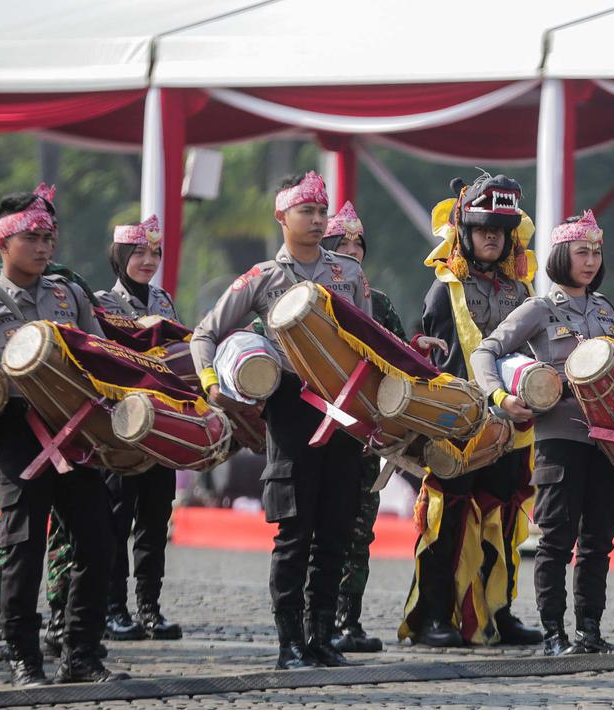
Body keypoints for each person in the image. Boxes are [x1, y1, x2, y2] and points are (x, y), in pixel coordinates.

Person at [0, 187, 127, 686]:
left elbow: (100, 356)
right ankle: (22, 656)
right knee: (23, 546)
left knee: (97, 543)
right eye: (31, 237)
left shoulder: (70, 295)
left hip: (76, 430)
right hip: (16, 429)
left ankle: (81, 654)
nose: (42, 247)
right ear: (4, 243)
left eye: (48, 237)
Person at [190, 171, 371, 670]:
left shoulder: (349, 275)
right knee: (295, 530)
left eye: (321, 211)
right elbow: (204, 334)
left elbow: (371, 340)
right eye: (306, 212)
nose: (316, 220)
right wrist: (212, 385)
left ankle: (322, 637)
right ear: (281, 217)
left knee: (336, 528)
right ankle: (289, 643)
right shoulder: (262, 277)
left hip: (345, 409)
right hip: (291, 407)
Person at [470, 210, 614, 656]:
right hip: (559, 440)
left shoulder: (605, 309)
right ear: (561, 256)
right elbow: (486, 351)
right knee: (557, 540)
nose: (592, 260)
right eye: (582, 251)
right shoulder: (540, 309)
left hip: (605, 442)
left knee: (599, 541)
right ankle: (554, 634)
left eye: (597, 252)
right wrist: (499, 399)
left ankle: (590, 633)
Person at [399, 173, 543, 649]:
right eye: (482, 229)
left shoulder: (521, 292)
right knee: (449, 518)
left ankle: (498, 613)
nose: (491, 238)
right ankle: (436, 614)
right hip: (458, 426)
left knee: (502, 520)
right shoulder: (444, 289)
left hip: (511, 425)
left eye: (499, 231)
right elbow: (436, 362)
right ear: (464, 231)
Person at [94, 215, 182, 642]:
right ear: (120, 256)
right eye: (139, 253)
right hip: (121, 424)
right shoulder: (102, 304)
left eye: (155, 253)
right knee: (116, 518)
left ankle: (150, 608)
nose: (148, 260)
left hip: (163, 424)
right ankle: (112, 608)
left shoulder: (164, 301)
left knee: (155, 518)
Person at [319, 202, 401, 654]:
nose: (351, 250)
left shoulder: (379, 302)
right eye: (341, 243)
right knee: (318, 527)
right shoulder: (312, 296)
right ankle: (316, 620)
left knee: (359, 528)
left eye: (357, 244)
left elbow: (400, 358)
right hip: (319, 426)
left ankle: (348, 620)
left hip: (366, 430)